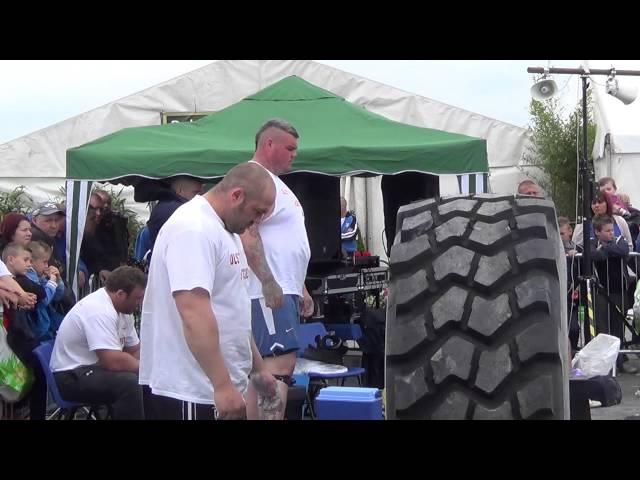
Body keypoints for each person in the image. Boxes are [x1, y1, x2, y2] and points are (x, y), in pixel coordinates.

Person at [139, 162, 278, 420]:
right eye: (257, 212)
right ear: (236, 195)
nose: (257, 222)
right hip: (191, 390)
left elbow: (232, 310)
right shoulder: (193, 228)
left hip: (217, 388)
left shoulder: (226, 230)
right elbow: (193, 312)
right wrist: (222, 385)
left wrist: (258, 370)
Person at [240, 118, 314, 420]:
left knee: (272, 369)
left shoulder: (275, 184)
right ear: (268, 144)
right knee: (274, 369)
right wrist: (269, 282)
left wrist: (302, 288)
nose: (295, 154)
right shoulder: (256, 178)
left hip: (284, 289)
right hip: (267, 291)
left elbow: (285, 242)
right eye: (290, 148)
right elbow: (247, 234)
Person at [50, 266, 146, 420]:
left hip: (94, 369)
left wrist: (153, 369)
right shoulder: (99, 310)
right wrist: (148, 369)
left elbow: (134, 350)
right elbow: (113, 362)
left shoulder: (123, 309)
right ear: (121, 294)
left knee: (147, 380)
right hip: (71, 375)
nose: (141, 303)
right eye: (138, 298)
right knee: (129, 384)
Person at [589, 215, 637, 374]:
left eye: (612, 230)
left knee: (618, 327)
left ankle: (619, 361)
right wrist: (608, 251)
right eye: (607, 231)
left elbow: (623, 250)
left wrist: (606, 248)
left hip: (619, 291)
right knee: (603, 327)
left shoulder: (619, 239)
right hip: (601, 291)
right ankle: (605, 364)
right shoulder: (592, 243)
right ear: (597, 232)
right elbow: (596, 256)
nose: (611, 233)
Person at [146, 176, 204, 257]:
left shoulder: (166, 206)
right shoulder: (177, 210)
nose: (200, 197)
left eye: (201, 193)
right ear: (180, 190)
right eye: (195, 193)